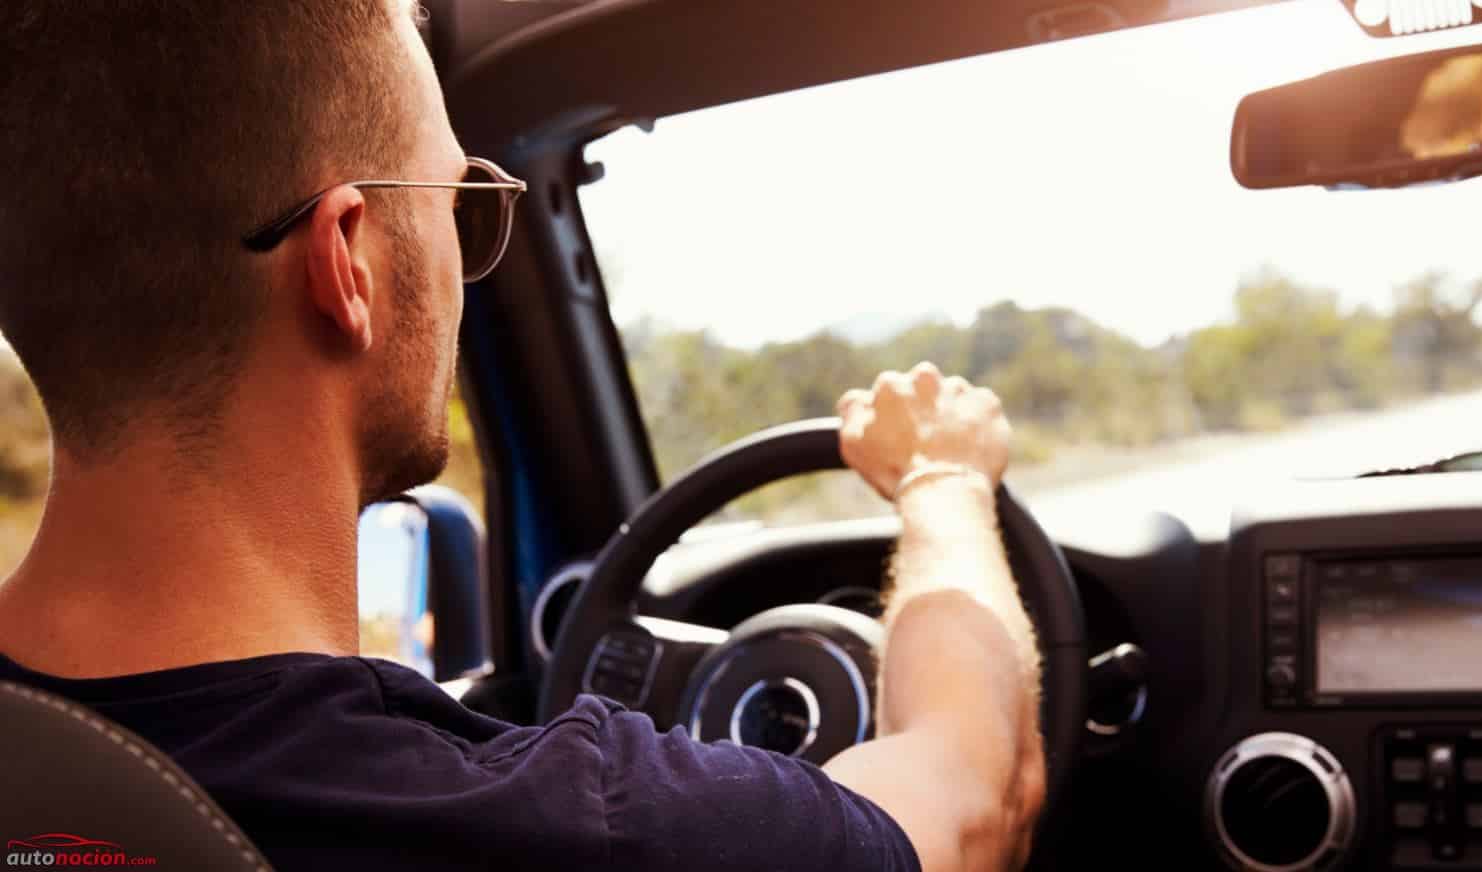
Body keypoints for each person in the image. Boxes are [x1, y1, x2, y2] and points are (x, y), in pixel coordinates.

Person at [0, 3, 1045, 871]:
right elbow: (974, 792)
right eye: (458, 200)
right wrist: (943, 476)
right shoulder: (579, 830)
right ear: (348, 263)